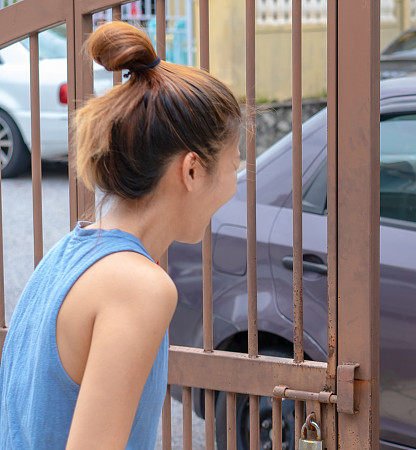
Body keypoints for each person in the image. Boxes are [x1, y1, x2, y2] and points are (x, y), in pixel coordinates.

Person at [0, 21, 242, 448]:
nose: (236, 180)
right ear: (191, 170)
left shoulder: (67, 254)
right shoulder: (139, 287)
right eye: (235, 162)